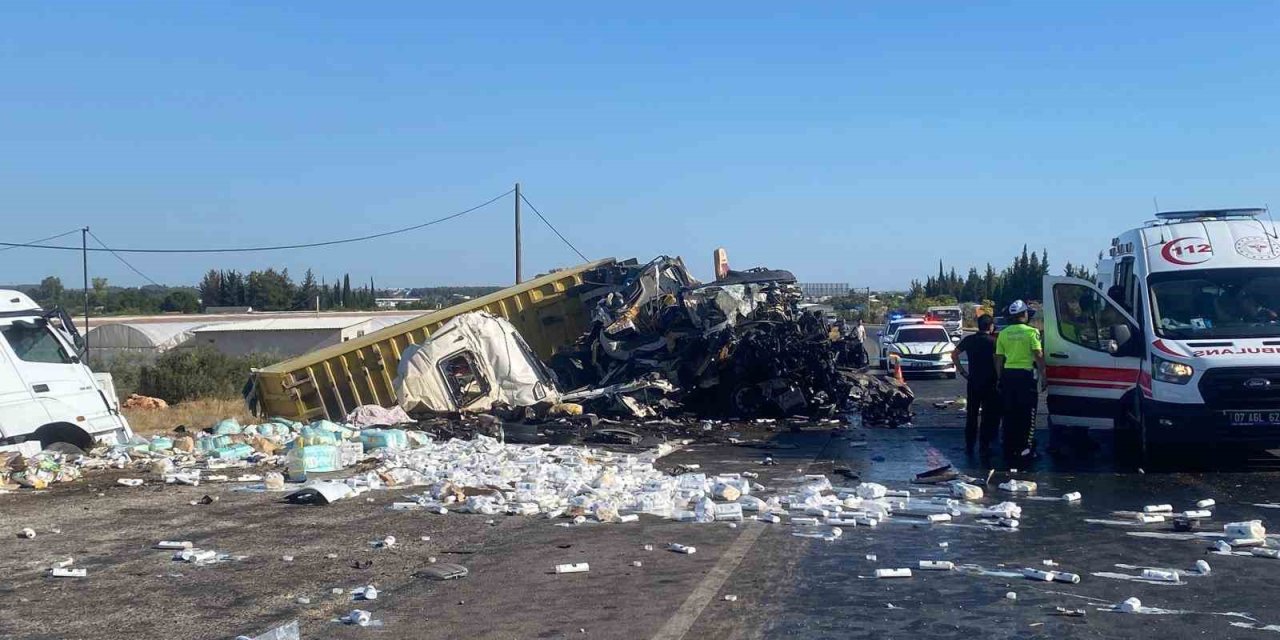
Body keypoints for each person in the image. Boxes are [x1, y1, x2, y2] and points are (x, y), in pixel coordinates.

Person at [995, 300, 1046, 463]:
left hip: (1008, 375)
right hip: (1026, 376)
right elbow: (1038, 355)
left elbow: (998, 358)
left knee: (1009, 413)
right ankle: (1026, 449)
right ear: (1024, 314)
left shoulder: (1004, 333)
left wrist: (1000, 377)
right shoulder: (1032, 332)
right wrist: (1044, 375)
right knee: (1028, 414)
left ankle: (1009, 447)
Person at [951, 314, 1000, 455]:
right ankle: (984, 445)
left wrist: (962, 372)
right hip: (990, 382)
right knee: (987, 415)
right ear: (991, 326)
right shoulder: (994, 342)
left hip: (973, 381)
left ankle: (969, 445)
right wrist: (999, 377)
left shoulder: (969, 340)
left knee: (972, 414)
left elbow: (954, 355)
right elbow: (997, 361)